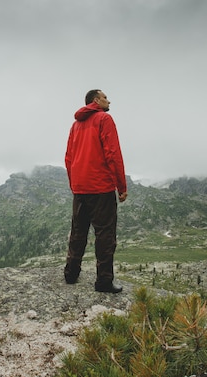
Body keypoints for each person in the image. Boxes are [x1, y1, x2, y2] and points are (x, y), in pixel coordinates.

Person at [64, 89, 128, 293]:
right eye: (105, 97)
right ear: (95, 100)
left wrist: (74, 183)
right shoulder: (104, 119)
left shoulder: (76, 125)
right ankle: (104, 282)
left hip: (81, 187)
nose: (109, 100)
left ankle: (71, 273)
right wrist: (121, 186)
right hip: (101, 187)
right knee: (105, 235)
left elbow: (68, 157)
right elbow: (113, 154)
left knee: (78, 231)